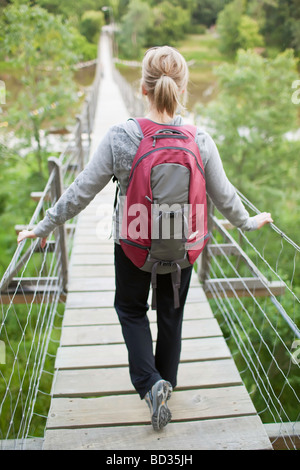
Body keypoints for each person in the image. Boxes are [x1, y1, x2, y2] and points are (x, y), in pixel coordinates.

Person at [17, 46, 273, 431]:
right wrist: (250, 223)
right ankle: (164, 384)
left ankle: (149, 383)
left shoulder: (122, 136)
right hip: (183, 250)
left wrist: (43, 226)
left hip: (134, 246)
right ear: (182, 88)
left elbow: (81, 191)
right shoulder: (200, 139)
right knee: (172, 317)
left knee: (131, 310)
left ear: (142, 87)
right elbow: (225, 197)